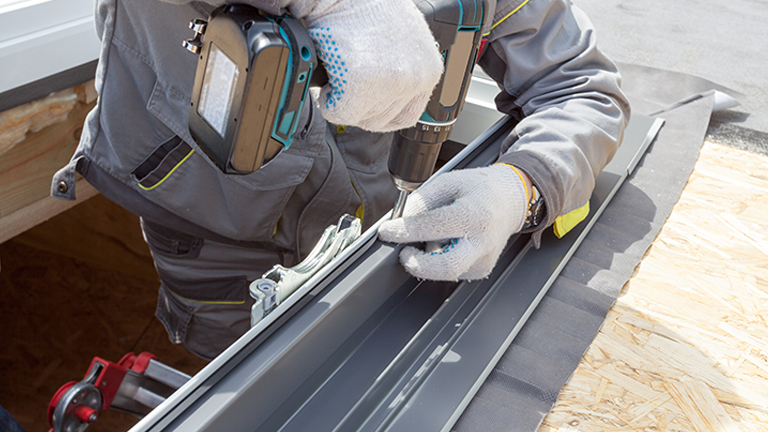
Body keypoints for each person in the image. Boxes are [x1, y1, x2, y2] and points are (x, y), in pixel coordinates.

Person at [52, 0, 629, 359]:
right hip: (207, 229)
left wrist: (522, 186)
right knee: (239, 387)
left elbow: (582, 89)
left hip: (366, 229)